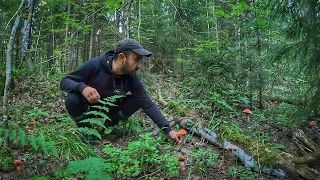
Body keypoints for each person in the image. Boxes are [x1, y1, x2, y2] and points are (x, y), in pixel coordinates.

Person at [60, 38, 181, 143]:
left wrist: (169, 131)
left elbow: (147, 104)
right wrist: (83, 88)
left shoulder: (131, 78)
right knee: (72, 98)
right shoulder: (95, 65)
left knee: (137, 100)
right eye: (137, 59)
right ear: (122, 57)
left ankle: (110, 126)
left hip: (110, 110)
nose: (139, 65)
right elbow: (65, 81)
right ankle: (85, 131)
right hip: (89, 108)